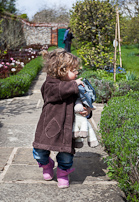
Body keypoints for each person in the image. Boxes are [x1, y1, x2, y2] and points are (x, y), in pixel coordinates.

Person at [32, 49, 91, 189]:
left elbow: (85, 102)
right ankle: (47, 164)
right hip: (49, 125)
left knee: (66, 155)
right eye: (73, 70)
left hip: (67, 127)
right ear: (61, 70)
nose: (77, 73)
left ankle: (63, 173)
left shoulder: (74, 87)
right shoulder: (49, 85)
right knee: (40, 152)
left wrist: (86, 111)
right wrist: (74, 84)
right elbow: (58, 91)